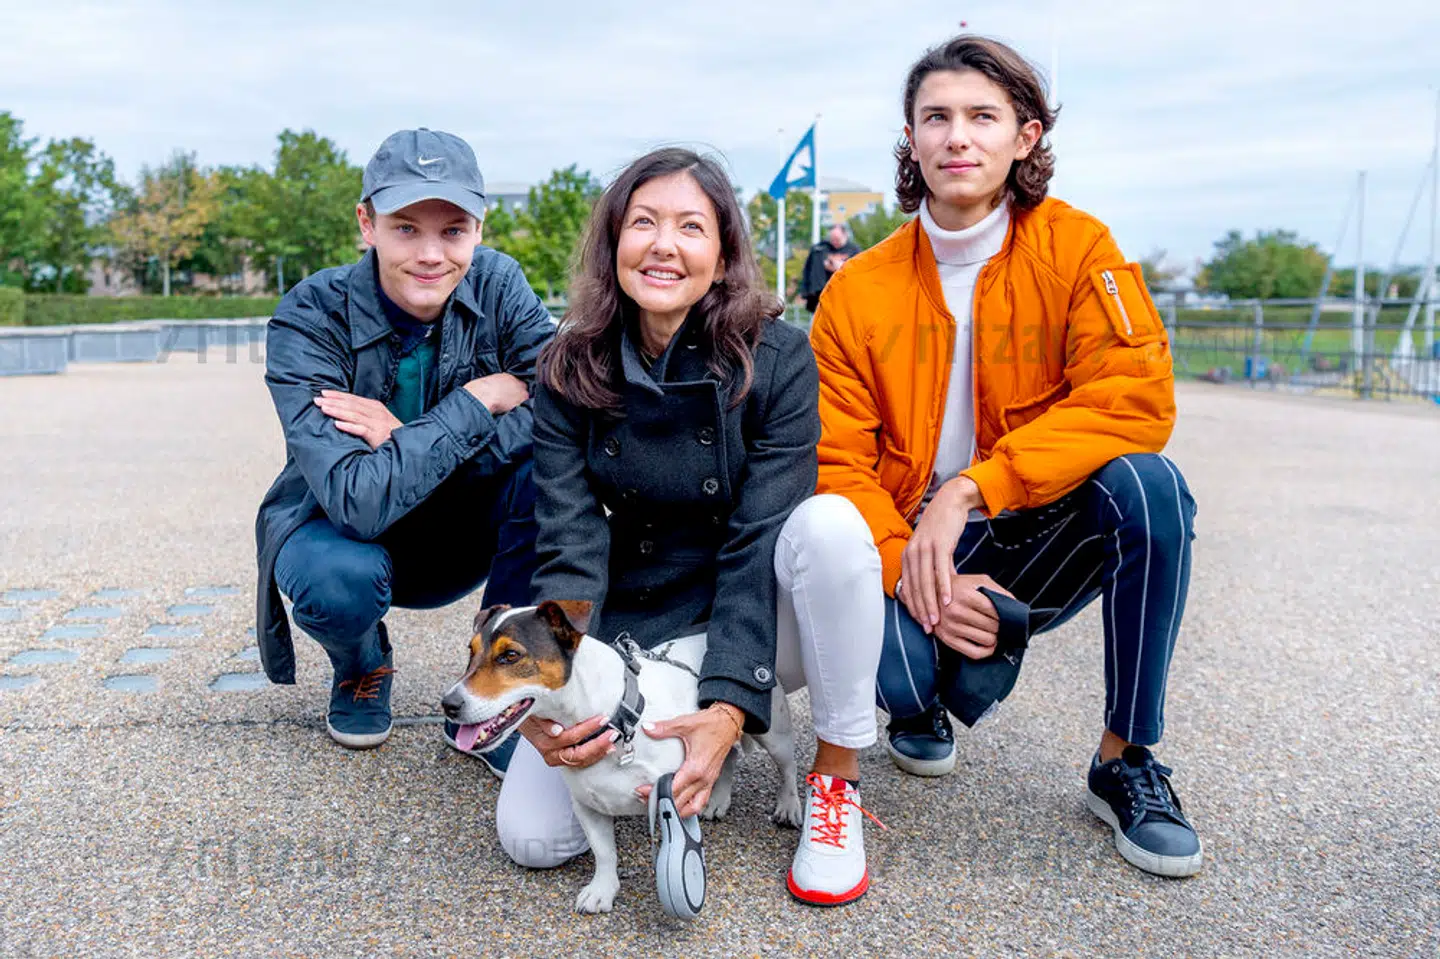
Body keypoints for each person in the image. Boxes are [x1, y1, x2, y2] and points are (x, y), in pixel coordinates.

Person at [808, 35, 1204, 878]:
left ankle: (1124, 759)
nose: (959, 137)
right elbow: (833, 461)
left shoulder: (1079, 248)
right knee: (905, 683)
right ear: (911, 138)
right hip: (905, 545)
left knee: (1151, 486)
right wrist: (912, 566)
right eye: (936, 117)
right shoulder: (856, 290)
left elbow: (1135, 398)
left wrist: (972, 492)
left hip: (1028, 530)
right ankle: (920, 696)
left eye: (983, 116)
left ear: (1025, 136)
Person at [496, 147, 886, 907]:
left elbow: (757, 539)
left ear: (723, 252)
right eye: (643, 222)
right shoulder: (567, 365)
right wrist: (551, 688)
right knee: (533, 839)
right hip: (639, 616)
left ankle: (834, 781)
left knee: (832, 527)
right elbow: (570, 540)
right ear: (615, 243)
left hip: (756, 613)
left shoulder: (777, 358)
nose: (664, 244)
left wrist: (729, 706)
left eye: (690, 226)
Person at [254, 128, 553, 776]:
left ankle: (492, 692)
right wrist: (477, 400)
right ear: (367, 222)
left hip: (462, 530)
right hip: (350, 535)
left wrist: (410, 438)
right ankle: (363, 664)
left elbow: (568, 411)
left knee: (551, 475)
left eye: (452, 231)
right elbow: (358, 500)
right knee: (337, 583)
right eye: (406, 228)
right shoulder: (309, 315)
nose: (430, 253)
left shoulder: (500, 284)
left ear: (479, 227)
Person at [799, 222, 860, 313]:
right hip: (821, 293)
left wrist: (840, 267)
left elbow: (858, 272)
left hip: (843, 295)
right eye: (832, 239)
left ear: (845, 236)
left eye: (837, 239)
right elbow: (807, 271)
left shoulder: (854, 250)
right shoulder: (820, 249)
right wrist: (805, 292)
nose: (835, 242)